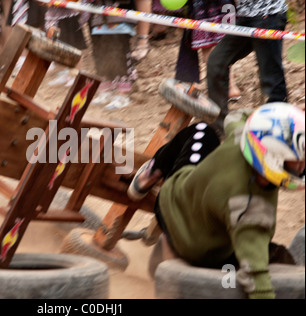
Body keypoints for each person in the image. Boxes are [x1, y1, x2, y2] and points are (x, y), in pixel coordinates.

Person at [128, 102, 305, 299]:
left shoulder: (241, 135)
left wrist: (288, 117)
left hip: (175, 206)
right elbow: (256, 278)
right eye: (297, 159)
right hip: (202, 250)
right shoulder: (251, 210)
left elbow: (239, 116)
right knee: (275, 257)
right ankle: (169, 246)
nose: (302, 164)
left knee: (202, 131)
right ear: (274, 157)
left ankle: (152, 172)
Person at [207, 0, 289, 137]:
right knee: (217, 61)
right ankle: (221, 130)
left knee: (270, 77)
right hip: (246, 17)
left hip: (269, 14)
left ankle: (281, 131)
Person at [174, 0, 241, 102]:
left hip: (205, 7)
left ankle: (220, 90)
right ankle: (231, 87)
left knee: (208, 45)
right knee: (224, 44)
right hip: (226, 5)